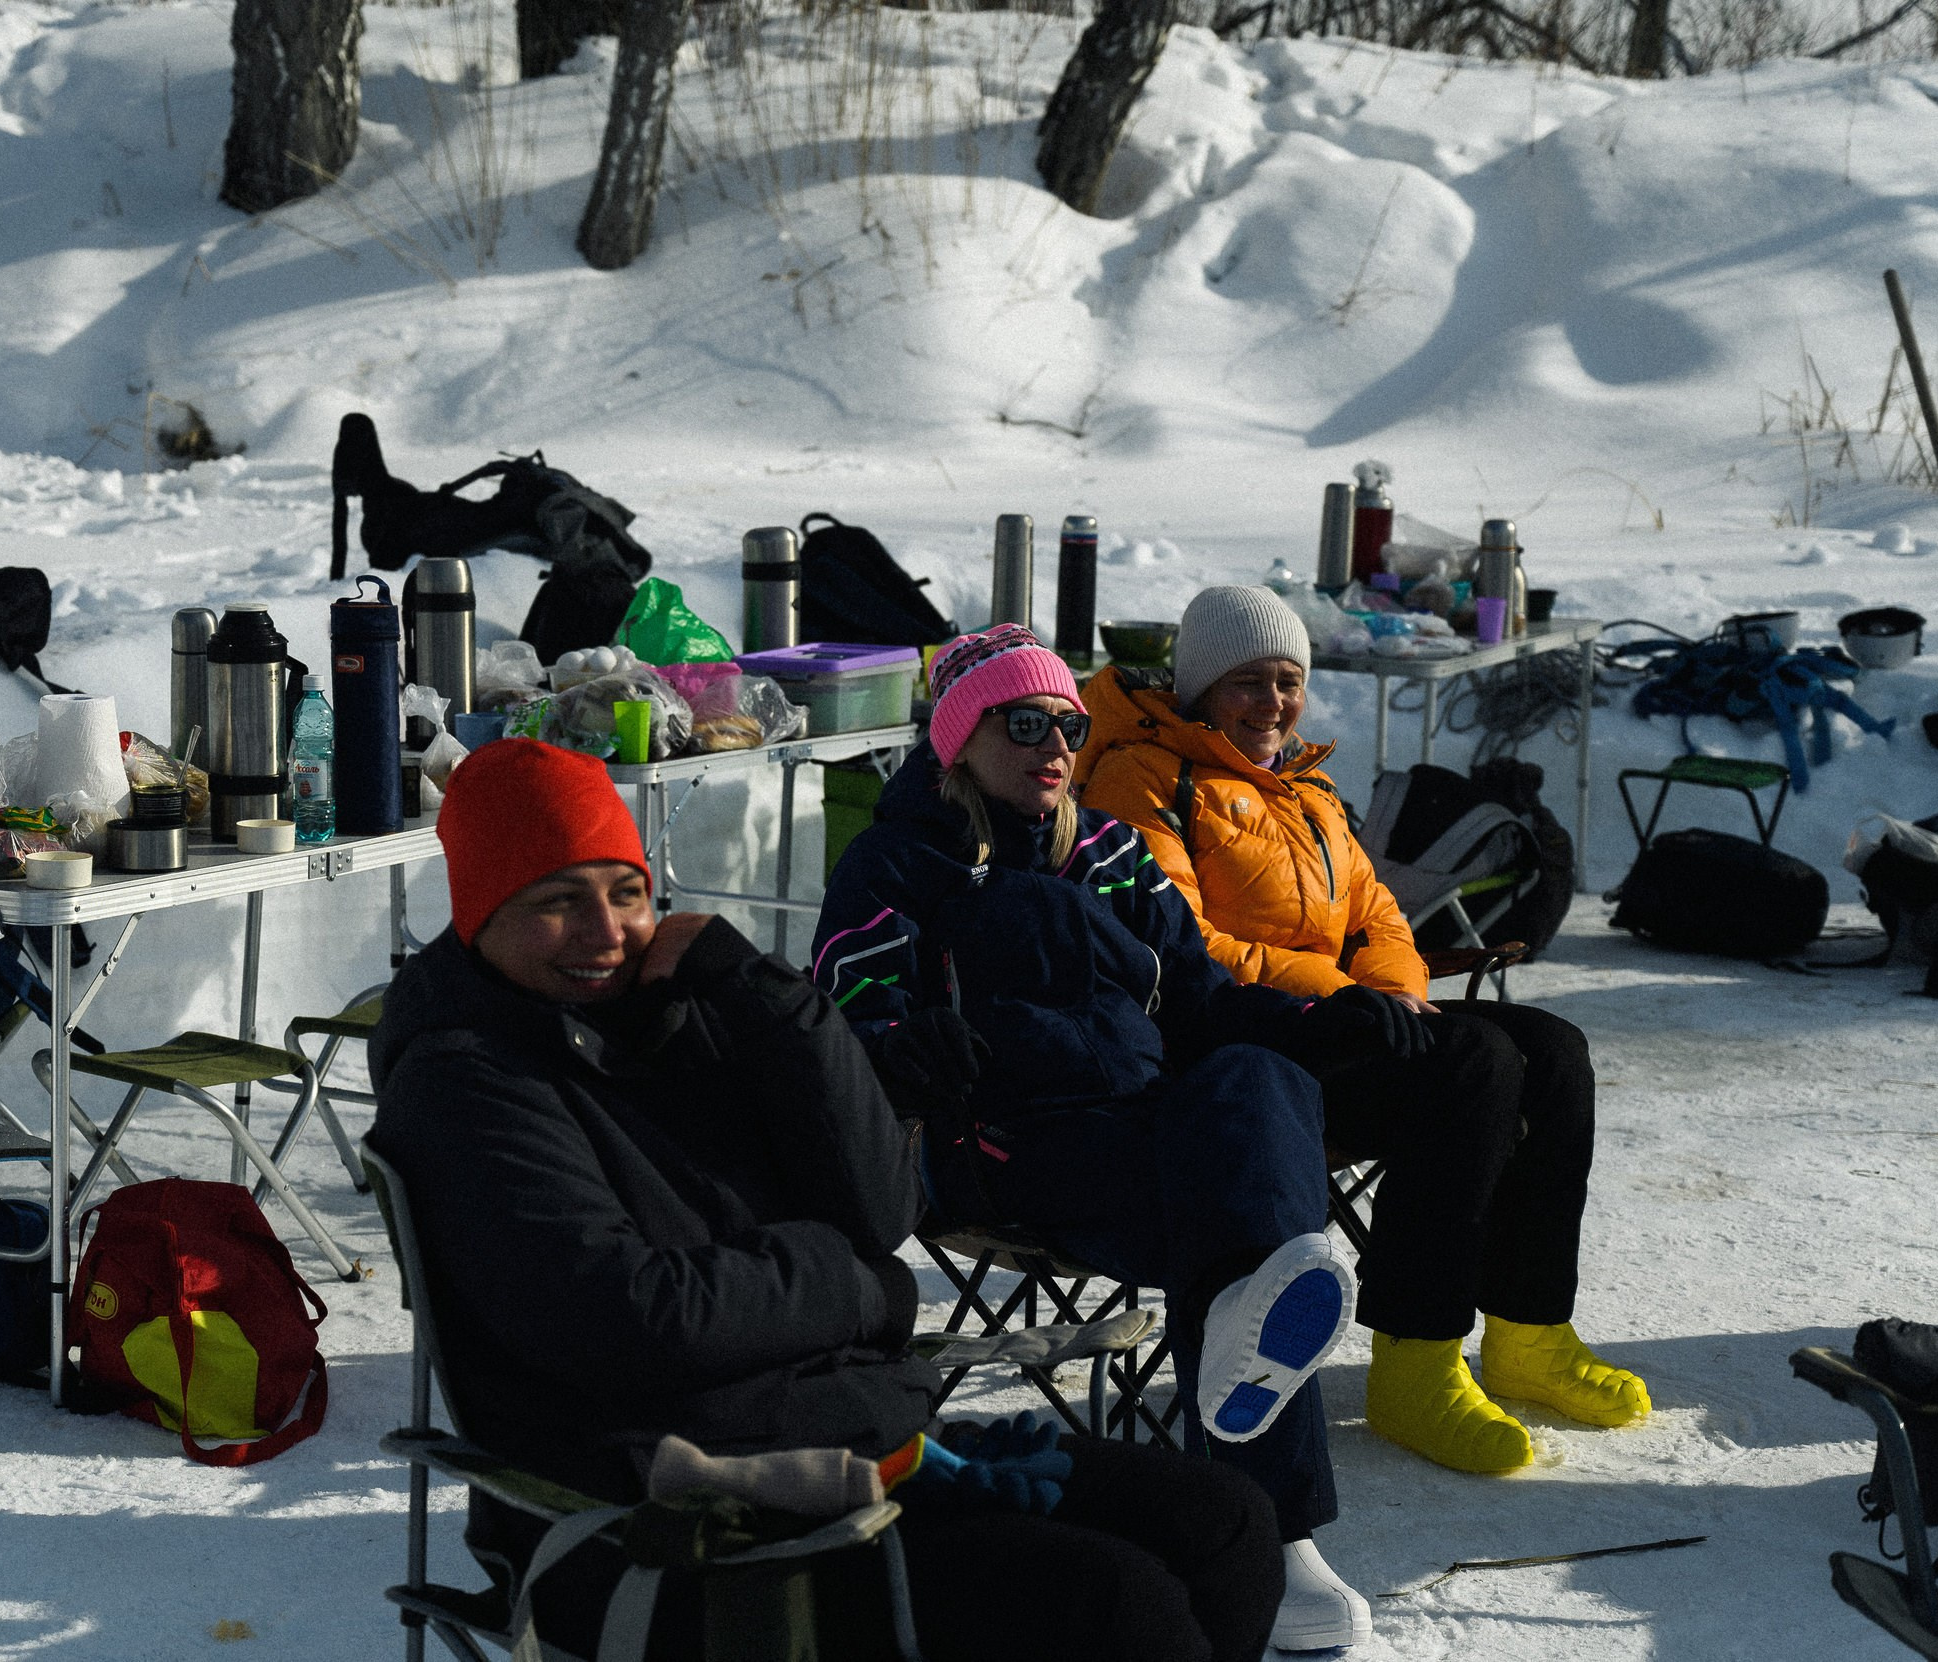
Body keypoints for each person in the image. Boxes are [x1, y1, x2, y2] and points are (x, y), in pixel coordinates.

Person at [368, 737, 1286, 1662]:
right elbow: (637, 1316)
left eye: (627, 893)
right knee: (1112, 1608)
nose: (606, 932)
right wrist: (859, 1290)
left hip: (850, 1447)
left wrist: (773, 1003)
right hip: (670, 1522)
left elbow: (880, 1211)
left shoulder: (678, 1017)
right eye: (559, 902)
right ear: (481, 913)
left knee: (1227, 1525)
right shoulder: (466, 1086)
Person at [811, 625, 1395, 1654]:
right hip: (999, 1152)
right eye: (1024, 722)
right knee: (1239, 1226)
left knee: (1262, 1078)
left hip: (1141, 1133)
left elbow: (1207, 1001)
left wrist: (1319, 1019)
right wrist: (899, 1040)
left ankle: (1251, 1396)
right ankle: (1284, 1536)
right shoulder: (893, 865)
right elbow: (838, 1019)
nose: (1053, 746)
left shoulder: (1110, 853)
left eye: (1070, 728)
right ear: (958, 738)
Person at [1075, 583, 1650, 1478]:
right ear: (1198, 688)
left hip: (1339, 1019)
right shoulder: (1143, 779)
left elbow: (1376, 907)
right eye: (1249, 683)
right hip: (1232, 1046)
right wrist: (1340, 995)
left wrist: (1388, 989)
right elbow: (1183, 946)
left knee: (1552, 1049)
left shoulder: (1304, 784)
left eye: (1289, 680)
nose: (1274, 703)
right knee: (1473, 1065)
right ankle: (1416, 1364)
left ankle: (1530, 1332)